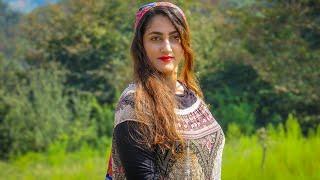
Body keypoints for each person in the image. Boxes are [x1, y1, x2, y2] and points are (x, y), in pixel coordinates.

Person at [106, 2, 225, 180]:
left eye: (175, 37)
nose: (167, 47)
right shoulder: (135, 103)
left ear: (185, 43)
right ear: (141, 46)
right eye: (156, 38)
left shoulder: (193, 96)